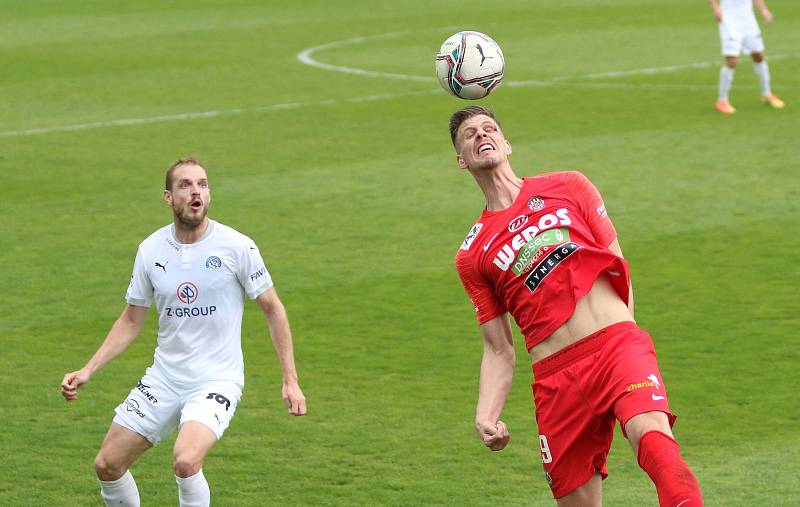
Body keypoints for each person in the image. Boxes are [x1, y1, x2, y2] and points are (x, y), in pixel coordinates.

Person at [450, 106, 703, 507]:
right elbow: (499, 348)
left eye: (490, 128)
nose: (483, 135)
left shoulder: (569, 186)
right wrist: (486, 414)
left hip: (615, 346)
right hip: (557, 380)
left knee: (653, 439)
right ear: (461, 159)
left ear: (506, 143)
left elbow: (618, 263)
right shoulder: (472, 254)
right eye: (470, 134)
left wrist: (625, 335)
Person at [61, 158, 307, 507]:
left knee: (186, 460)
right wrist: (88, 369)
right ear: (168, 197)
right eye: (186, 185)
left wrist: (290, 379)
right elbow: (131, 319)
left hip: (215, 380)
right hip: (165, 378)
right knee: (107, 464)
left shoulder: (237, 247)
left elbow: (273, 309)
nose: (196, 191)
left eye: (203, 184)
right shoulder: (151, 250)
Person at [709, 0, 784, 114]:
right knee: (732, 60)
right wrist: (715, 8)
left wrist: (764, 10)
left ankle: (767, 94)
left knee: (758, 55)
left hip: (748, 19)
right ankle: (722, 101)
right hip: (729, 19)